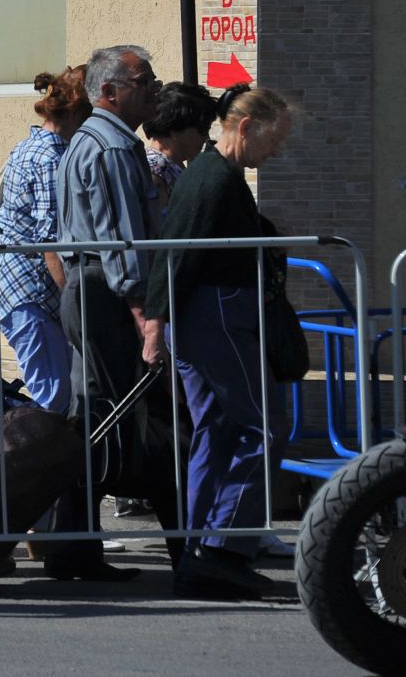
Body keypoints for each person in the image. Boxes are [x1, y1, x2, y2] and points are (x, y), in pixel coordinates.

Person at [147, 85, 294, 601]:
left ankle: (198, 551)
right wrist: (154, 325)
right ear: (246, 127)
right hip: (216, 316)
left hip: (207, 315)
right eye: (273, 140)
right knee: (264, 426)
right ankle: (223, 548)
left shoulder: (213, 173)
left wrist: (161, 322)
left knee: (215, 428)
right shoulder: (213, 179)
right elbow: (176, 252)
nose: (276, 152)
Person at [46, 43, 177, 582]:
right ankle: (185, 552)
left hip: (88, 288)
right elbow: (123, 245)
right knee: (122, 417)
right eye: (142, 80)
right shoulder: (114, 148)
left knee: (91, 417)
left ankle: (73, 548)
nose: (153, 87)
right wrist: (146, 320)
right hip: (107, 293)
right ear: (109, 93)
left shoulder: (87, 141)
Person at [0, 67, 91, 413]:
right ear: (77, 112)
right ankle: (31, 465)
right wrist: (74, 301)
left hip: (22, 291)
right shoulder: (52, 158)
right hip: (30, 293)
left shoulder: (29, 146)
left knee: (56, 393)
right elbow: (51, 243)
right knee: (54, 398)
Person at [143, 81, 221, 212]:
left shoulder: (169, 165)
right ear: (175, 127)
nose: (205, 137)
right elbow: (158, 227)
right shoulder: (157, 169)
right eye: (202, 129)